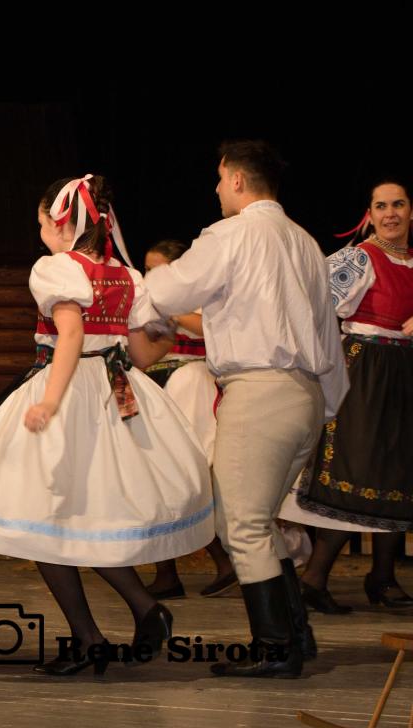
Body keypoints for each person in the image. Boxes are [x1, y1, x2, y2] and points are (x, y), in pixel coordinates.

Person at [0, 175, 214, 675]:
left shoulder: (56, 268)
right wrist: (163, 331)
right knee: (81, 518)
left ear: (61, 222)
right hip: (115, 390)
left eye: (42, 222)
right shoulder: (126, 276)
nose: (41, 233)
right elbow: (141, 353)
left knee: (45, 519)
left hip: (71, 390)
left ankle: (91, 637)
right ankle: (142, 609)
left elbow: (70, 334)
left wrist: (50, 400)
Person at [144, 140, 349, 678]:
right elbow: (328, 333)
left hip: (261, 392)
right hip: (304, 394)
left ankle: (275, 649)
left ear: (237, 179)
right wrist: (326, 405)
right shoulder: (305, 242)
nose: (216, 189)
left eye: (219, 179)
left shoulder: (232, 234)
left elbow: (173, 287)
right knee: (257, 520)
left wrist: (136, 289)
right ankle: (295, 637)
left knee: (242, 525)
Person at [282, 179, 413, 613]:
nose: (390, 213)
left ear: (411, 211)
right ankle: (314, 578)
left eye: (398, 204)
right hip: (365, 371)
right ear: (369, 215)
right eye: (381, 206)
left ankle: (383, 576)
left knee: (398, 475)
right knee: (356, 471)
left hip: (403, 370)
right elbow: (312, 307)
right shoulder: (360, 258)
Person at [139, 240, 237, 600]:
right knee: (156, 480)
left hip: (191, 386)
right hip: (160, 387)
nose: (151, 275)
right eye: (148, 268)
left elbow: (212, 330)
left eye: (159, 269)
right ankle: (168, 573)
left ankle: (223, 561)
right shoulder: (151, 299)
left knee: (181, 477)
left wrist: (174, 312)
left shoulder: (198, 296)